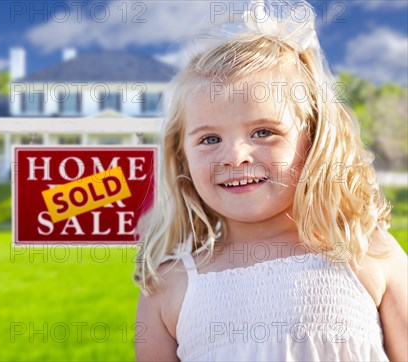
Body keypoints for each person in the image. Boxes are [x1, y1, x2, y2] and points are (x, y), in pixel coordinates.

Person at [133, 1, 407, 361]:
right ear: (180, 154)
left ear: (313, 140)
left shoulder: (365, 252)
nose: (235, 156)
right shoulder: (169, 285)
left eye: (263, 132)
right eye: (210, 139)